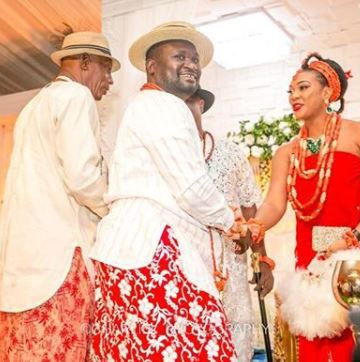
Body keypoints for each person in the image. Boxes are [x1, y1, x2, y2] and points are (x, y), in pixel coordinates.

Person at [89, 22, 244, 361]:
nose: (191, 64)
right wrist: (229, 221)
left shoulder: (146, 106)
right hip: (151, 251)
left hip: (127, 252)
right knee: (204, 347)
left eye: (194, 59)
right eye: (179, 56)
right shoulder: (164, 105)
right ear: (152, 67)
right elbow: (191, 188)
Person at [248, 52, 360, 361]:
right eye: (291, 90)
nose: (294, 96)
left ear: (328, 92)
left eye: (303, 88)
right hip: (314, 256)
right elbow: (275, 203)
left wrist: (351, 238)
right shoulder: (286, 152)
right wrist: (255, 225)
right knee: (317, 342)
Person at [0, 31, 119, 361]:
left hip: (21, 265)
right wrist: (115, 211)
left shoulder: (33, 107)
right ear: (84, 63)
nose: (109, 81)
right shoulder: (75, 97)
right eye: (106, 69)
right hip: (59, 262)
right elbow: (83, 179)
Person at [186, 87, 275, 361]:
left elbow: (251, 209)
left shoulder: (230, 152)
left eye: (187, 102)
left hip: (232, 268)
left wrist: (262, 260)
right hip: (188, 267)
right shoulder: (170, 155)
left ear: (201, 104)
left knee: (237, 342)